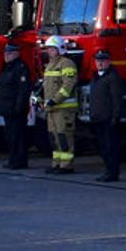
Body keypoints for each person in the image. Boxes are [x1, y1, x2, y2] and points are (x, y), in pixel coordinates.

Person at [40, 36, 80, 174]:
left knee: (64, 136)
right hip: (52, 108)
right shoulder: (50, 64)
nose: (49, 51)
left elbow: (68, 85)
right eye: (48, 49)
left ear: (60, 49)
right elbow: (47, 86)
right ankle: (56, 163)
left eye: (52, 49)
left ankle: (66, 165)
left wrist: (55, 100)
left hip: (63, 109)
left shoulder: (67, 63)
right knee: (54, 137)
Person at [0, 43, 32, 170]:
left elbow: (23, 89)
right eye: (5, 53)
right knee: (11, 136)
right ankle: (13, 159)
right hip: (8, 108)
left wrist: (19, 107)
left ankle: (18, 161)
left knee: (18, 136)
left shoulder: (20, 67)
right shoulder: (7, 67)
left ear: (16, 54)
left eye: (9, 53)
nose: (6, 56)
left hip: (15, 109)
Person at [89, 51, 124, 182]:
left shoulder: (112, 77)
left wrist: (116, 116)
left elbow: (117, 98)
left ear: (108, 62)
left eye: (102, 61)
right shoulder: (95, 76)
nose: (100, 63)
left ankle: (112, 172)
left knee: (110, 147)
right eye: (98, 61)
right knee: (102, 147)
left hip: (108, 118)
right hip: (98, 117)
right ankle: (107, 170)